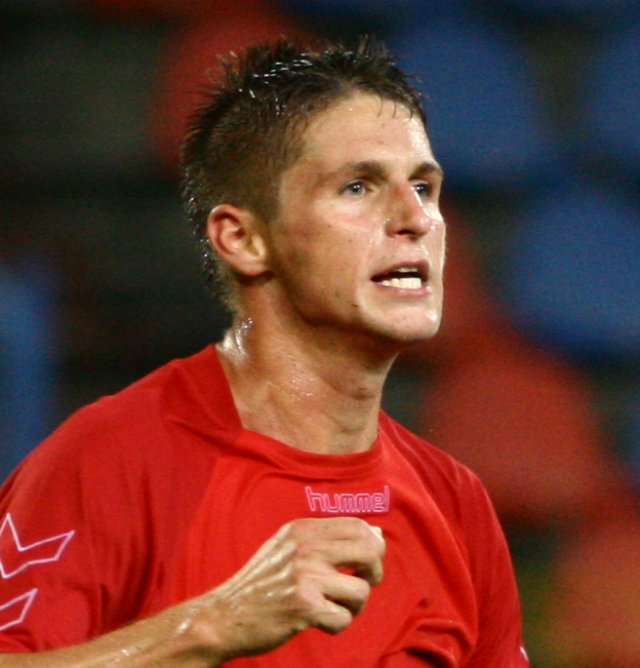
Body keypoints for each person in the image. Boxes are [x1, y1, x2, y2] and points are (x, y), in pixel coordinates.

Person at [0, 37, 529, 667]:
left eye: (424, 186)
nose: (414, 217)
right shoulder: (108, 461)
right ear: (244, 239)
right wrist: (207, 628)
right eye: (358, 187)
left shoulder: (454, 502)